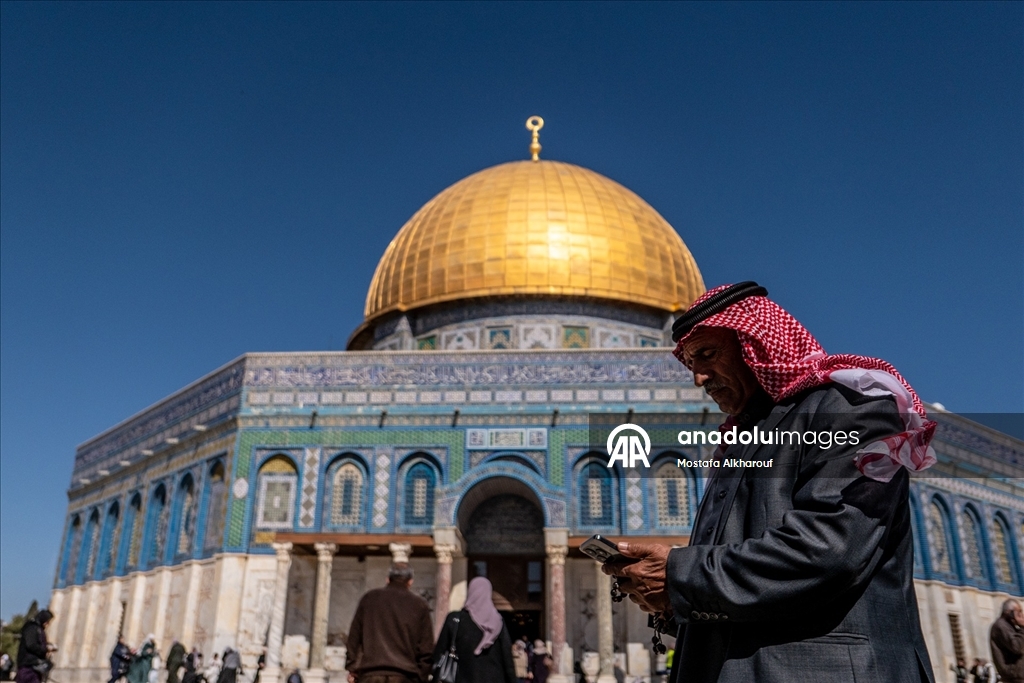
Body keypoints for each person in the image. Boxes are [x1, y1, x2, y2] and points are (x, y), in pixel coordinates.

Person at [603, 282, 938, 682]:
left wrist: (678, 575)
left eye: (708, 355)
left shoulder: (847, 410)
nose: (699, 378)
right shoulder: (742, 442)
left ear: (755, 345)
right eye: (691, 364)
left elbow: (828, 550)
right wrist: (674, 602)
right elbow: (750, 589)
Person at [345, 563, 434, 683]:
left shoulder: (369, 599)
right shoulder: (419, 605)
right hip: (405, 675)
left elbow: (354, 638)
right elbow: (426, 649)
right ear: (410, 581)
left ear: (387, 579)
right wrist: (421, 677)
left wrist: (352, 668)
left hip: (370, 674)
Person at [432, 577, 517, 683]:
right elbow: (507, 658)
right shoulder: (497, 621)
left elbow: (439, 651)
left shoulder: (455, 619)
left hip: (462, 678)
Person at [15, 609, 54, 683]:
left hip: (35, 667)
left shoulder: (39, 629)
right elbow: (31, 645)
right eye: (47, 621)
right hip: (28, 666)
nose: (47, 624)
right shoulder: (32, 628)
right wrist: (45, 649)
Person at [991, 599, 1024, 682]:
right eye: (1018, 612)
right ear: (1009, 612)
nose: (1021, 615)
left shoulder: (1011, 627)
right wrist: (1023, 628)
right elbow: (1017, 647)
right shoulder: (1001, 626)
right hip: (1014, 675)